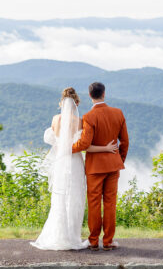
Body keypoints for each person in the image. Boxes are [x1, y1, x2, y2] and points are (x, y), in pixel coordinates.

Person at [31, 87, 118, 250]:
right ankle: (72, 237)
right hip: (75, 162)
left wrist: (62, 146)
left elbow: (53, 141)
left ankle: (57, 235)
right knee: (75, 198)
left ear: (62, 103)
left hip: (60, 161)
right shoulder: (79, 122)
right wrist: (105, 148)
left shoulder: (55, 119)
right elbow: (85, 146)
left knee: (59, 198)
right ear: (76, 103)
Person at [71, 81, 128, 250]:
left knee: (94, 203)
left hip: (95, 168)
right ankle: (109, 241)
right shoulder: (118, 113)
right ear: (104, 93)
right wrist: (119, 159)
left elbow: (84, 143)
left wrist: (67, 149)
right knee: (110, 203)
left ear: (90, 96)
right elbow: (125, 141)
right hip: (113, 165)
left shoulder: (89, 117)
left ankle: (94, 241)